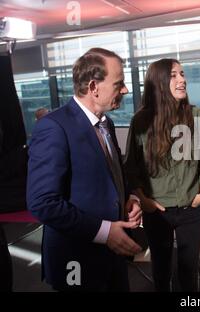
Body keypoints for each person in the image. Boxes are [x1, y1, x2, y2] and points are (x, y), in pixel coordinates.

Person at [27, 48, 143, 291]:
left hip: (113, 258)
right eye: (119, 83)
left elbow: (112, 174)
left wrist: (128, 198)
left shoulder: (106, 123)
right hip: (76, 262)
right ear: (93, 87)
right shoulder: (53, 127)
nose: (125, 90)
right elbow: (42, 202)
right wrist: (105, 232)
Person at [124, 58, 200, 292]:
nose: (182, 79)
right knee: (161, 271)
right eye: (174, 75)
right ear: (159, 82)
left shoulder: (197, 116)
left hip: (191, 208)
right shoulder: (141, 120)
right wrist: (144, 200)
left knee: (189, 271)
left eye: (182, 74)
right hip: (158, 210)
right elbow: (132, 166)